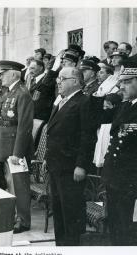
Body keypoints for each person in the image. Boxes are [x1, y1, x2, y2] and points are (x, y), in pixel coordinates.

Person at [45, 67, 95, 246]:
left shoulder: (83, 101)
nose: (58, 81)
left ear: (75, 81)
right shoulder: (62, 101)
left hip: (70, 167)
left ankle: (73, 251)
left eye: (62, 78)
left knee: (71, 212)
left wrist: (81, 165)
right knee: (59, 211)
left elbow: (88, 136)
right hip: (56, 165)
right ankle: (62, 248)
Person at [99, 61, 137, 245]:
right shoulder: (125, 105)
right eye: (121, 81)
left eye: (128, 81)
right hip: (116, 175)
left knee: (125, 225)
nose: (122, 86)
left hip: (130, 177)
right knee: (115, 223)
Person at [0, 60, 34, 234]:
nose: (0, 77)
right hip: (6, 144)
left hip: (16, 148)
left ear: (13, 74)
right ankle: (16, 216)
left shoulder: (22, 93)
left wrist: (18, 152)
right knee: (11, 183)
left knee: (19, 184)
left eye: (3, 74)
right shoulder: (9, 92)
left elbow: (24, 126)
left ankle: (23, 220)